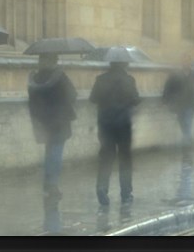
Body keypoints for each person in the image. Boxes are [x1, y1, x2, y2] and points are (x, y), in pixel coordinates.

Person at [89, 47, 140, 206]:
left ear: (110, 62)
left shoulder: (100, 79)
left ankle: (102, 188)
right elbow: (135, 100)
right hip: (124, 124)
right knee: (125, 159)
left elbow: (93, 99)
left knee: (106, 157)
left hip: (105, 124)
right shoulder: (129, 80)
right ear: (125, 63)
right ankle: (126, 194)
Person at [27, 53, 77, 199]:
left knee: (49, 152)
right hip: (59, 121)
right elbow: (72, 94)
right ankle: (52, 185)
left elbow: (32, 102)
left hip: (43, 122)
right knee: (56, 154)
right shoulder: (60, 77)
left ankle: (47, 183)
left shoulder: (34, 78)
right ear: (53, 61)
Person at [162, 52, 194, 146]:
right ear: (181, 62)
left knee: (187, 123)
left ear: (190, 62)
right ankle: (186, 140)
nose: (186, 62)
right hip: (179, 105)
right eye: (184, 60)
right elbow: (168, 87)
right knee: (183, 124)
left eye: (188, 60)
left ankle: (187, 146)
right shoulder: (175, 74)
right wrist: (165, 100)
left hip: (190, 105)